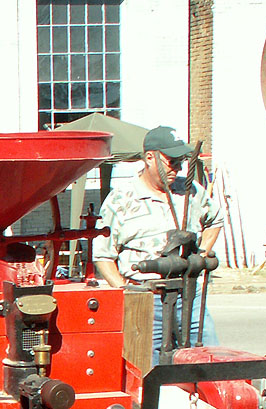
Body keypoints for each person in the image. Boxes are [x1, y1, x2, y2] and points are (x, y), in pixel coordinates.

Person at [92, 126, 224, 365]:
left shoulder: (190, 191)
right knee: (147, 369)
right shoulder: (121, 199)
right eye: (171, 161)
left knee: (207, 360)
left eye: (181, 162)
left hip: (189, 295)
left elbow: (216, 219)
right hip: (147, 298)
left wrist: (202, 253)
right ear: (149, 157)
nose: (178, 168)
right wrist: (126, 290)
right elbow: (102, 254)